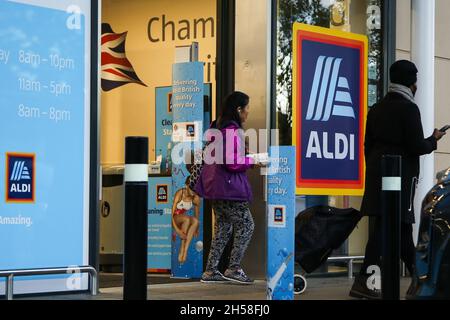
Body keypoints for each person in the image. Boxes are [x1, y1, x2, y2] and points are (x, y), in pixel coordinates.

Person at [349, 60, 446, 299]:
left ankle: (421, 280)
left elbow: (367, 145)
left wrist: (374, 170)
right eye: (416, 80)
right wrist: (433, 139)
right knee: (386, 229)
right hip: (400, 179)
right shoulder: (409, 109)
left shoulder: (377, 108)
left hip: (377, 174)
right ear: (411, 82)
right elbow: (416, 146)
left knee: (402, 230)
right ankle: (364, 281)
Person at [195, 91, 264, 284]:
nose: (248, 112)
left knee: (223, 228)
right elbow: (232, 162)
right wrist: (253, 161)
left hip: (214, 187)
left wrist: (247, 153)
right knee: (247, 225)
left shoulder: (217, 127)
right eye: (247, 108)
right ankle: (233, 268)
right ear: (238, 109)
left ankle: (210, 271)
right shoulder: (232, 131)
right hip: (229, 189)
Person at [172, 177, 201, 264]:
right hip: (175, 218)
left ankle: (185, 250)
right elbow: (171, 213)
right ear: (186, 185)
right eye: (191, 188)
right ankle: (181, 248)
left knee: (195, 221)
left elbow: (196, 215)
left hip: (184, 218)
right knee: (187, 219)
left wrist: (196, 229)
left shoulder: (195, 197)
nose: (193, 192)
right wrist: (178, 231)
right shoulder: (180, 193)